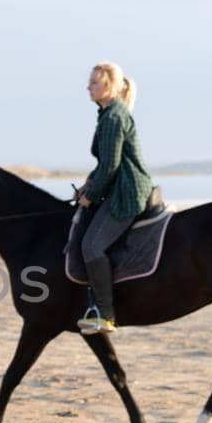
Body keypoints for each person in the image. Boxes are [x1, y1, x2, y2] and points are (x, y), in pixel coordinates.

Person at [68, 62, 154, 334]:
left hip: (127, 192)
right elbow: (104, 164)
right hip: (116, 186)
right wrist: (87, 184)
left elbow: (112, 166)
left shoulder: (115, 117)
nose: (88, 87)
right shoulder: (107, 114)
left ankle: (105, 315)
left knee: (92, 246)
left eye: (94, 82)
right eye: (90, 82)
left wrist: (90, 197)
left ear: (109, 87)